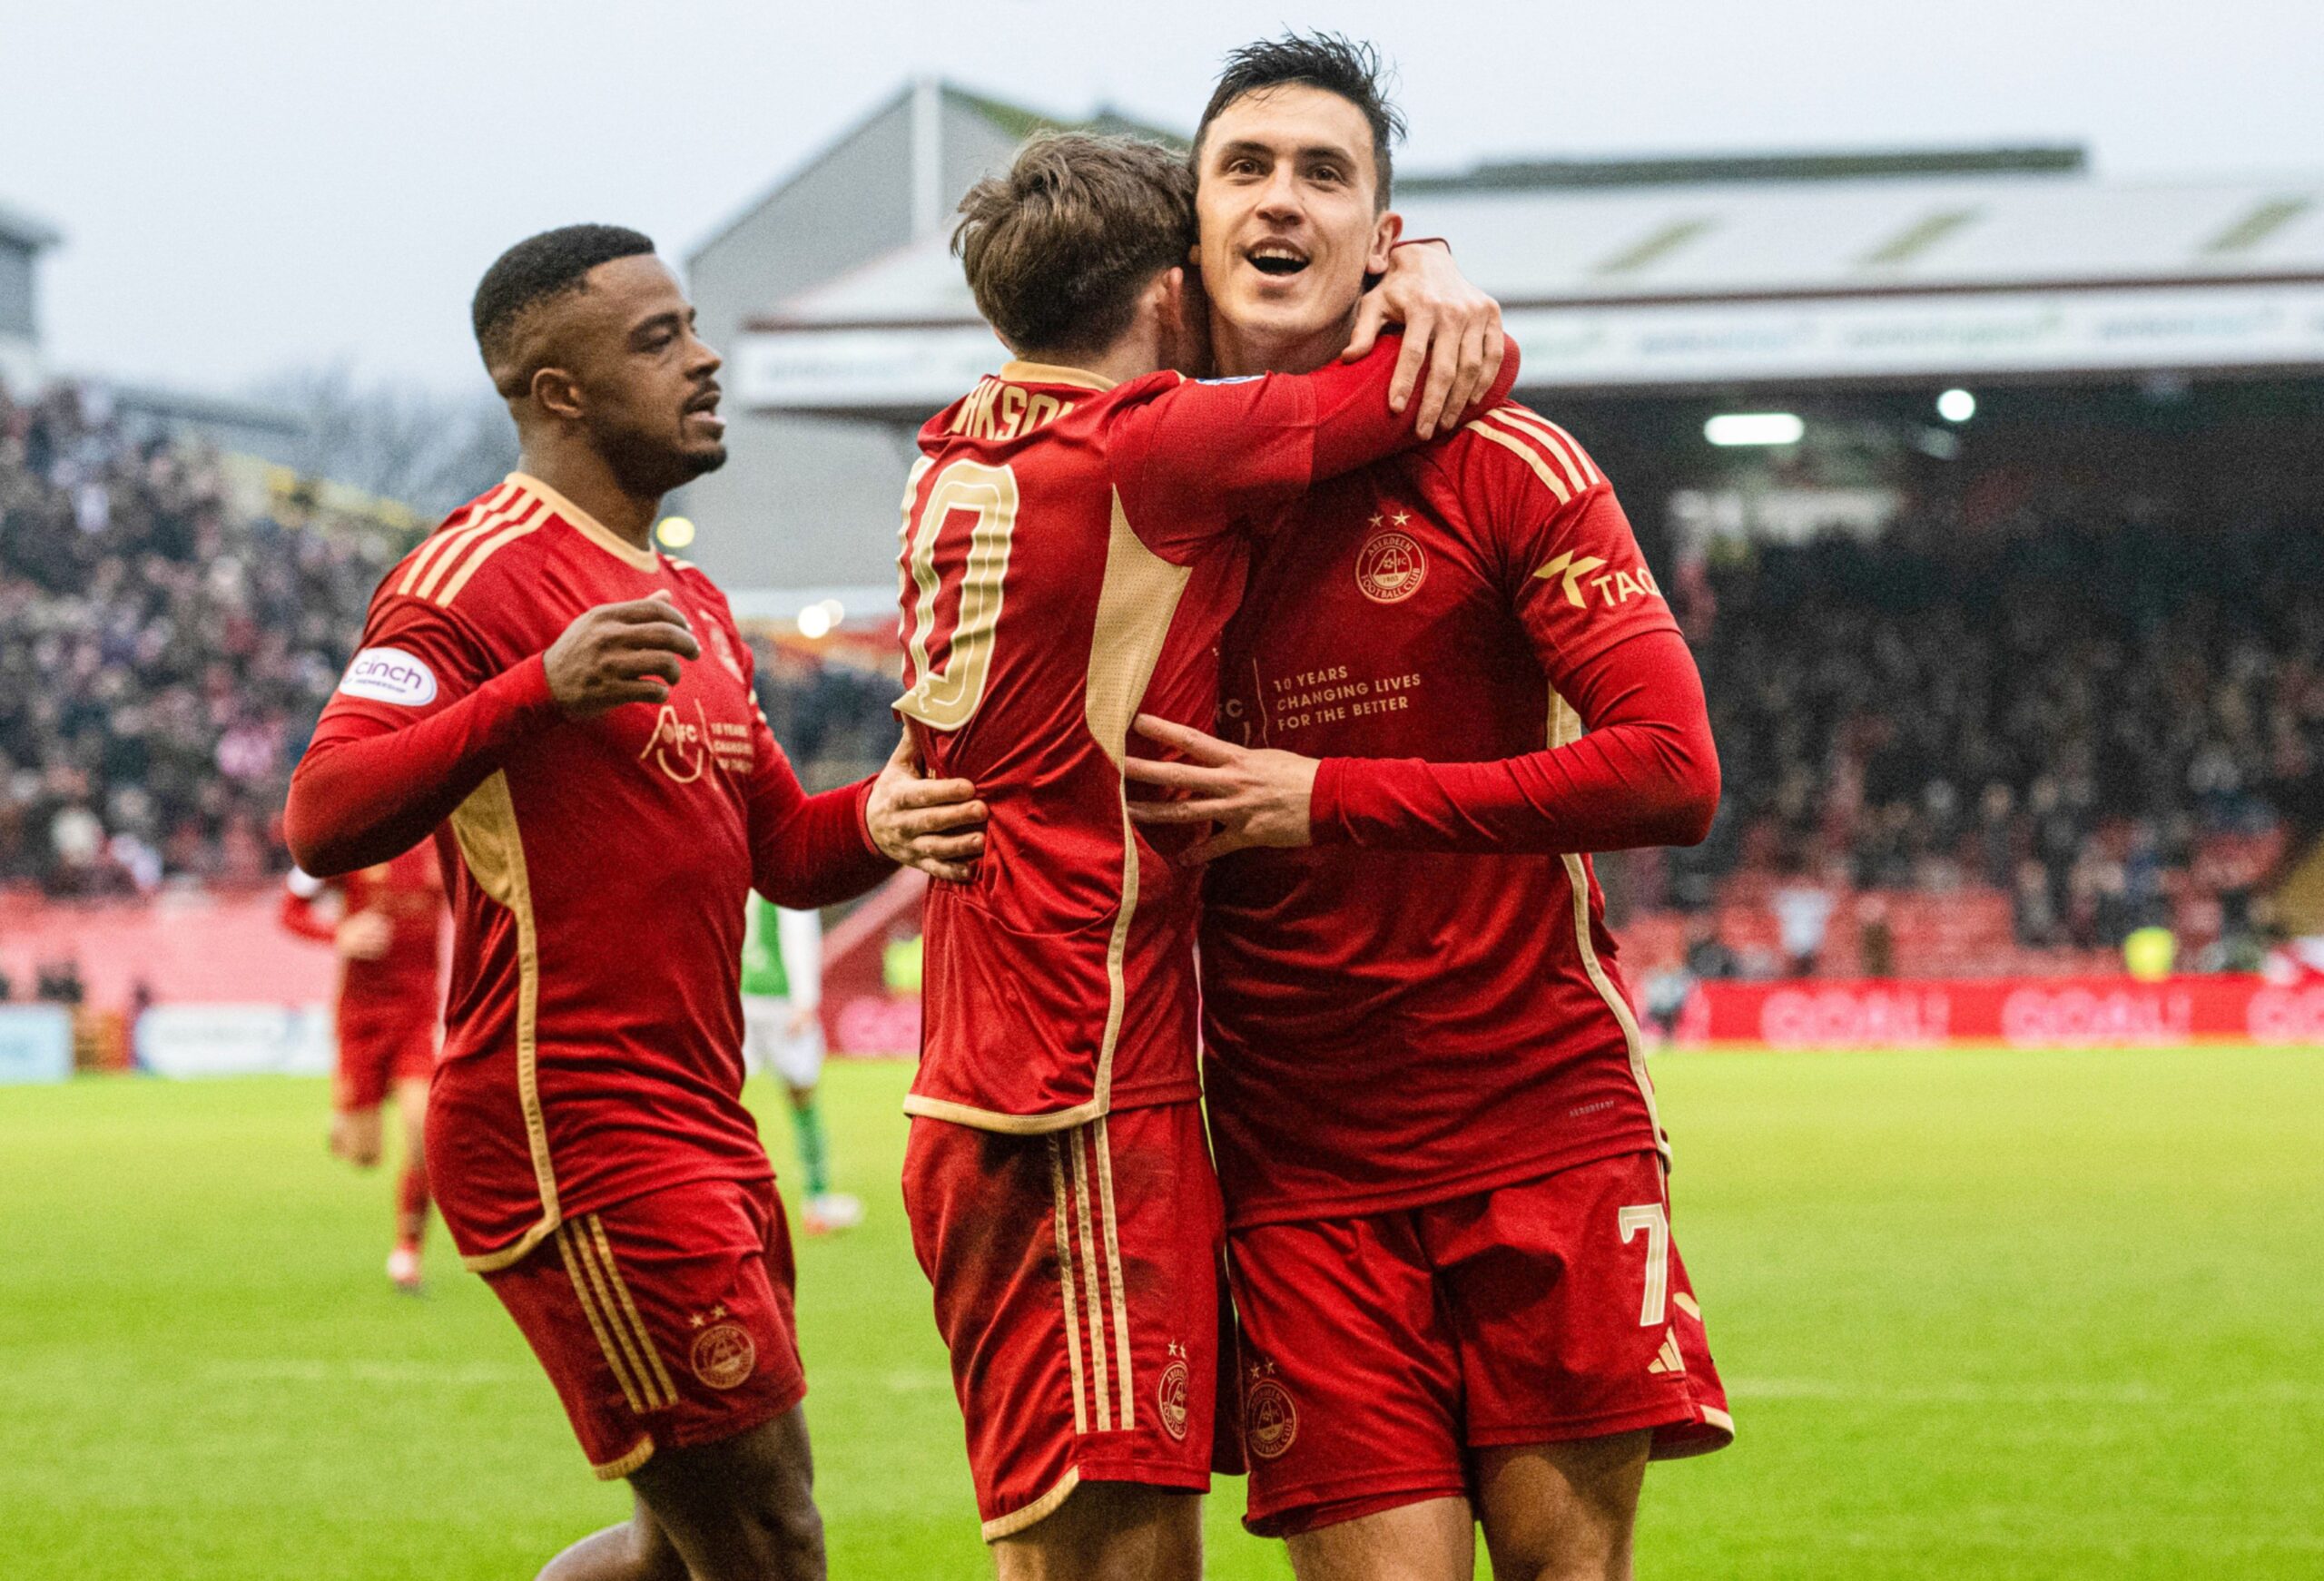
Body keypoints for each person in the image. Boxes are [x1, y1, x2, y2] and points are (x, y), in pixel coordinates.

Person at [283, 223, 983, 1581]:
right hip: (574, 1125)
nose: (704, 356)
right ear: (559, 392)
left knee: (680, 1546)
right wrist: (536, 686)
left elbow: (783, 844)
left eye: (693, 326)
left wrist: (892, 813)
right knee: (773, 1539)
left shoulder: (691, 599)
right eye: (658, 339)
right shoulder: (469, 579)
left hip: (699, 1119)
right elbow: (322, 815)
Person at [1119, 35, 1732, 1581]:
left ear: (1384, 244)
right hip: (1296, 1155)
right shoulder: (1137, 493)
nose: (1281, 200)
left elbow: (1670, 766)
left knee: (1562, 1570)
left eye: (1324, 173)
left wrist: (1326, 799)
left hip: (1541, 1112)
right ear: (1184, 242)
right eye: (1243, 170)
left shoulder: (1505, 463)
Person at [895, 133, 1512, 1578]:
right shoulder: (1146, 444)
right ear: (1174, 297)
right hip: (1079, 1084)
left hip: (996, 1062)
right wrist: (1418, 263)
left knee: (1074, 1546)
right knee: (1115, 1560)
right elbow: (1426, 377)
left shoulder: (957, 443)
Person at [280, 842, 446, 1291]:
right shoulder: (351, 840)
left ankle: (407, 1253)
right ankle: (345, 1121)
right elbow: (289, 911)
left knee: (425, 1133)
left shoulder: (444, 845)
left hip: (417, 1017)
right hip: (361, 1022)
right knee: (365, 1156)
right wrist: (340, 933)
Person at [739, 897, 861, 1234]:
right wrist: (805, 1001)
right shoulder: (785, 878)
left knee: (723, 1098)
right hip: (781, 1000)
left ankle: (717, 1198)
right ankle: (818, 1204)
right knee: (803, 1096)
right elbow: (798, 934)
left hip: (743, 997)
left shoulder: (742, 873)